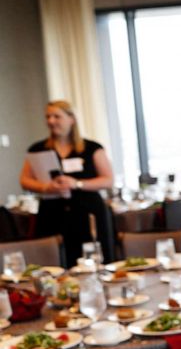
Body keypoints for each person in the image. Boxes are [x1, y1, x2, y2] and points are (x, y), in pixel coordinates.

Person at [19, 100, 114, 265]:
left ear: (71, 119)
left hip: (87, 212)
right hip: (52, 214)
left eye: (57, 116)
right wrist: (46, 187)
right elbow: (24, 180)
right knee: (54, 262)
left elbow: (108, 179)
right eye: (48, 117)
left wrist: (76, 183)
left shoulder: (91, 148)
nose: (51, 121)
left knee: (93, 260)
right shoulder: (37, 149)